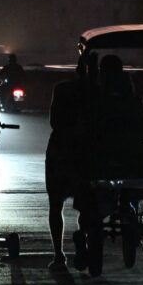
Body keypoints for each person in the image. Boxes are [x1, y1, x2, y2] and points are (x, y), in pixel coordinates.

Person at [45, 52, 95, 271]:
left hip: (61, 151)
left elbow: (54, 121)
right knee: (88, 203)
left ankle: (58, 254)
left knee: (56, 205)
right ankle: (83, 237)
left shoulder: (62, 89)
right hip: (88, 154)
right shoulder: (100, 92)